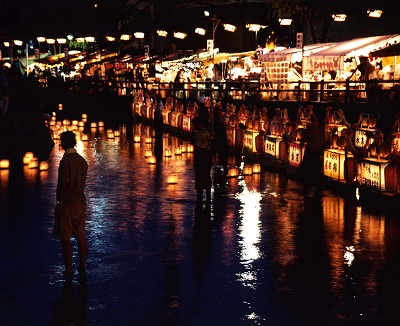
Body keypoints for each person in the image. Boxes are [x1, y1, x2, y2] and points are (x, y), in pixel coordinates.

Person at [53, 131, 88, 279]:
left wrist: (60, 203)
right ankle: (82, 264)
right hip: (80, 202)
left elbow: (65, 184)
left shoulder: (65, 161)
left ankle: (68, 269)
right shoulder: (82, 161)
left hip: (68, 203)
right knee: (80, 235)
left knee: (65, 237)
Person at [192, 117, 213, 208]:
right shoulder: (208, 133)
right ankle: (208, 196)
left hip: (200, 157)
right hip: (208, 157)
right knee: (207, 175)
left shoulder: (198, 134)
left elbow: (194, 143)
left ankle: (199, 198)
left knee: (199, 176)